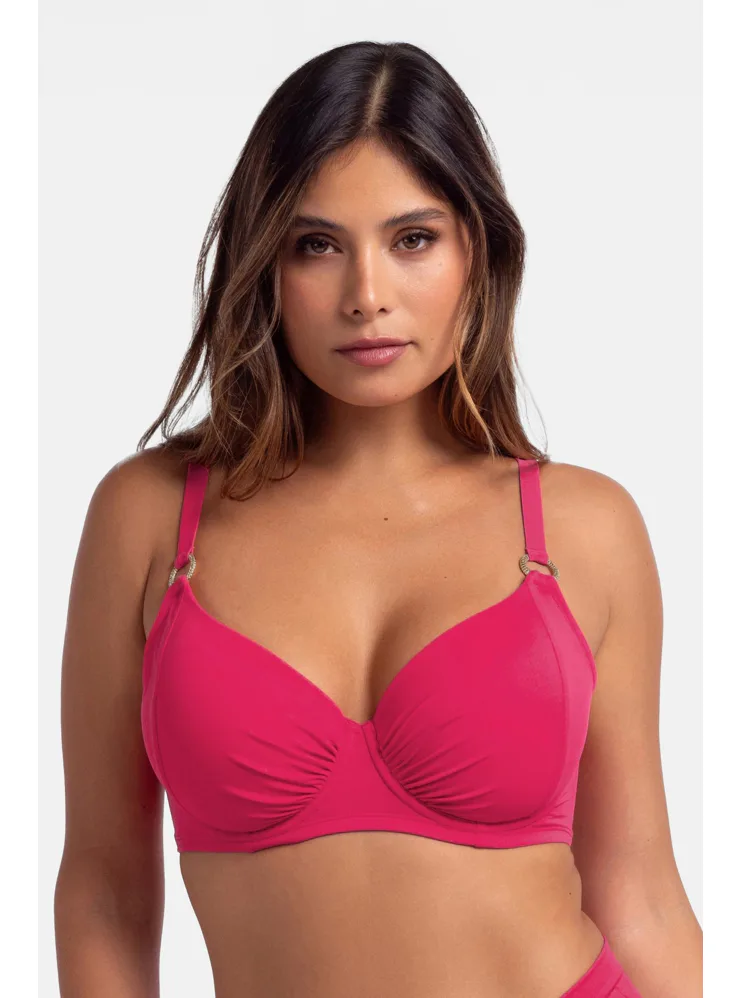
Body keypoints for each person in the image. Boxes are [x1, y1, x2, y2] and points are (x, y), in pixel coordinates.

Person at [54, 40, 702, 998]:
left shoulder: (581, 529)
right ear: (264, 265)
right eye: (317, 245)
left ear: (477, 251)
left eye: (412, 240)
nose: (367, 297)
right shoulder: (151, 518)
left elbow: (640, 895)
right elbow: (104, 892)